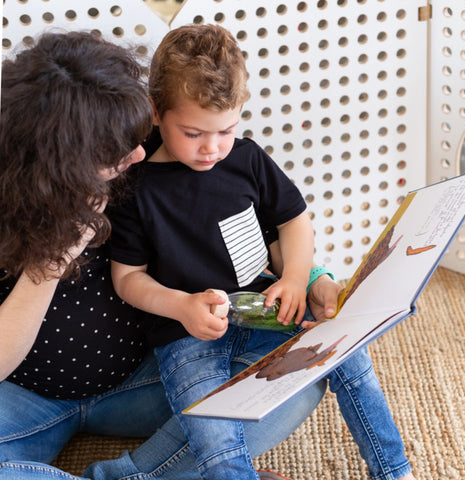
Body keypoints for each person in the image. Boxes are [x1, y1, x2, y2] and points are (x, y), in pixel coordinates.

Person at [0, 30, 335, 480]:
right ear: (64, 161)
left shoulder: (141, 142)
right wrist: (51, 262)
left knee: (297, 372)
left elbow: (243, 221)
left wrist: (309, 276)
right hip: (23, 396)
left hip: (148, 374)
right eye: (119, 150)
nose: (139, 151)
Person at [108, 24, 416, 480]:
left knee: (347, 351)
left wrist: (295, 278)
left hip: (263, 303)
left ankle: (394, 470)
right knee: (212, 430)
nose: (212, 148)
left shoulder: (247, 157)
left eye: (226, 130)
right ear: (156, 111)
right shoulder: (137, 186)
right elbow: (127, 277)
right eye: (193, 133)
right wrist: (181, 305)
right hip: (185, 332)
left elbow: (295, 220)